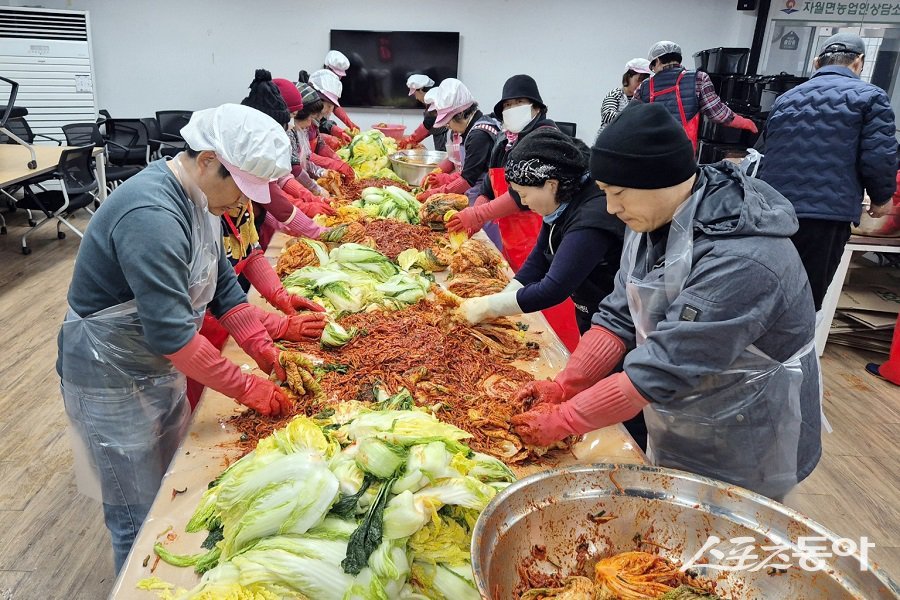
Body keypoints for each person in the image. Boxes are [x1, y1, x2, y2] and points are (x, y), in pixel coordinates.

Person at [58, 104, 327, 571]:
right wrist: (250, 388)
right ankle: (135, 582)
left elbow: (222, 283)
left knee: (165, 481)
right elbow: (173, 334)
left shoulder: (200, 200)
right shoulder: (153, 213)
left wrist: (264, 351)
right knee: (134, 512)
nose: (244, 206)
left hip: (151, 365)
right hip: (109, 372)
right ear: (206, 161)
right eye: (239, 190)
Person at [510, 104, 822, 501]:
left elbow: (662, 367)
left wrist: (565, 419)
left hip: (748, 429)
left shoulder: (743, 259)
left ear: (658, 180)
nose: (610, 208)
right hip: (685, 412)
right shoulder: (654, 220)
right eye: (604, 193)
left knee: (727, 537)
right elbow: (621, 312)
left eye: (618, 193)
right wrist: (566, 385)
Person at [757, 33, 898, 311]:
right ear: (859, 62)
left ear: (816, 61)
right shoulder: (871, 97)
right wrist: (882, 198)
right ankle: (794, 352)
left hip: (774, 212)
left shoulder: (786, 98)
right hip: (825, 216)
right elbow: (879, 155)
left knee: (768, 287)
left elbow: (764, 151)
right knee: (806, 297)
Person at [458, 129, 624, 334]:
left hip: (617, 323)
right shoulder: (561, 200)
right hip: (589, 312)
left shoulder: (590, 219)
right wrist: (505, 295)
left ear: (551, 185)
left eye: (524, 194)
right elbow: (538, 260)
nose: (523, 202)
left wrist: (489, 307)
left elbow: (553, 289)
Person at [447, 74, 557, 271]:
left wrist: (477, 214)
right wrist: (479, 208)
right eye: (508, 105)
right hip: (509, 239)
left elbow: (520, 197)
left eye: (519, 102)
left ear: (536, 107)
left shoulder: (546, 139)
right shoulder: (504, 141)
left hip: (536, 241)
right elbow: (489, 186)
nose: (512, 109)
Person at [631, 40, 758, 150]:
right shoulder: (698, 78)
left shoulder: (645, 86)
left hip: (650, 152)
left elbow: (632, 119)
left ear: (657, 60)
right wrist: (745, 122)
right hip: (682, 154)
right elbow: (717, 114)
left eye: (652, 66)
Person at [416, 78, 500, 201]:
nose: (447, 126)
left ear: (460, 114)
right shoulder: (469, 129)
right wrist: (437, 171)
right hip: (473, 194)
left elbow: (467, 179)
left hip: (483, 198)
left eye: (447, 121)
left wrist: (437, 192)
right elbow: (455, 161)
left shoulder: (479, 136)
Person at [299, 70, 355, 181]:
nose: (330, 112)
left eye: (332, 107)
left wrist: (336, 159)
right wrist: (333, 164)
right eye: (328, 106)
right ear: (317, 101)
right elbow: (304, 156)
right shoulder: (300, 122)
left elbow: (319, 143)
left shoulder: (314, 121)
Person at [598, 58, 652, 136]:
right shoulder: (616, 94)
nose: (640, 85)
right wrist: (632, 120)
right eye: (638, 80)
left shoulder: (643, 99)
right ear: (628, 76)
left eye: (644, 82)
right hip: (608, 140)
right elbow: (607, 114)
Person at [398, 74, 448, 151]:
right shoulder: (431, 102)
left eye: (415, 94)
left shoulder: (436, 103)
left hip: (446, 140)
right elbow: (429, 126)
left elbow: (427, 125)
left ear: (421, 89)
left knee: (447, 158)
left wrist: (410, 140)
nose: (416, 98)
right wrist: (413, 140)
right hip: (439, 138)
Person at [322, 49, 361, 133]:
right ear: (326, 67)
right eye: (335, 73)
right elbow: (315, 118)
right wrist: (333, 129)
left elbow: (335, 106)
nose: (338, 77)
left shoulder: (335, 84)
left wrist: (349, 123)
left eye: (339, 75)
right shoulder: (318, 83)